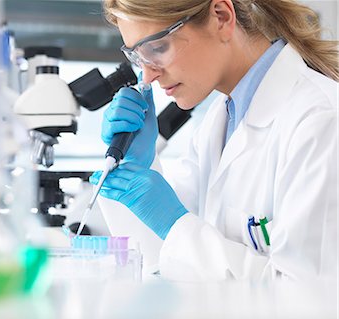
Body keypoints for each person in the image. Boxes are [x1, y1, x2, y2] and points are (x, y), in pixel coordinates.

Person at [90, 0, 338, 281]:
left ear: (221, 17)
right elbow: (165, 259)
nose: (148, 74)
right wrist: (140, 167)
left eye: (157, 48)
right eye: (138, 57)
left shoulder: (321, 120)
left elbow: (308, 302)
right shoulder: (217, 124)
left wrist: (174, 223)